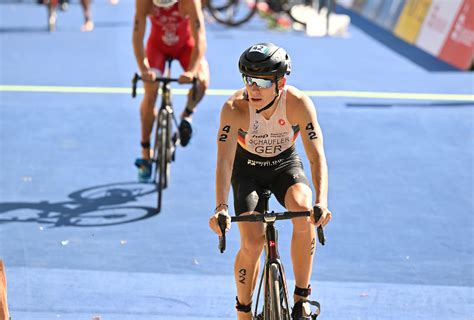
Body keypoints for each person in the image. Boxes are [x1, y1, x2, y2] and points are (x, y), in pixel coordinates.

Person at [208, 43, 332, 319]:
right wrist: (220, 207)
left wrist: (321, 202)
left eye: (262, 82)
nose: (253, 89)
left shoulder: (298, 104)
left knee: (304, 211)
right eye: (248, 80)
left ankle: (301, 296)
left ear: (281, 82)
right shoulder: (233, 108)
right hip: (246, 168)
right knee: (252, 242)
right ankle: (243, 311)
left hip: (284, 165)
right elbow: (225, 161)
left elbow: (316, 156)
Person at [132, 0, 209, 182]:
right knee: (150, 93)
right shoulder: (143, 2)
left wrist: (191, 70)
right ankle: (145, 151)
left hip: (185, 46)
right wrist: (144, 69)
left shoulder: (190, 2)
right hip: (156, 48)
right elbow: (137, 35)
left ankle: (186, 115)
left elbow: (200, 37)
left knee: (202, 81)